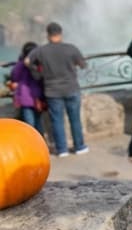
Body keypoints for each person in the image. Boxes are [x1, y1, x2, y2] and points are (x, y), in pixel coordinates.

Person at [26, 22, 89, 156]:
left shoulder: (41, 51)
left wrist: (37, 74)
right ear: (60, 34)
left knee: (57, 121)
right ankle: (79, 147)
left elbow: (27, 61)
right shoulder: (71, 48)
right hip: (71, 88)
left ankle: (62, 149)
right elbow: (83, 64)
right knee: (75, 119)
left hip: (52, 90)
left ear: (48, 35)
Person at [6, 41, 45, 130]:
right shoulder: (39, 65)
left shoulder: (20, 65)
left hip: (25, 98)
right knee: (38, 123)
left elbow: (14, 76)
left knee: (29, 125)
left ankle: (31, 139)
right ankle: (40, 138)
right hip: (38, 98)